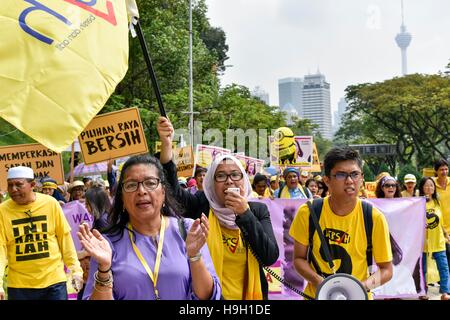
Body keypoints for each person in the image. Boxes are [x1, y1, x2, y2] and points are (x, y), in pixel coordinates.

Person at [157, 117, 279, 300]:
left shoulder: (257, 211)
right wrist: (167, 147)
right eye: (221, 176)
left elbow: (269, 256)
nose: (229, 181)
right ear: (212, 185)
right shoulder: (201, 205)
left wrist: (244, 213)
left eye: (235, 175)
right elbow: (173, 192)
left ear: (244, 181)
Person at [79, 155, 221, 300]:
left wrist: (195, 256)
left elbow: (208, 296)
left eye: (150, 183)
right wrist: (104, 269)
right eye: (131, 185)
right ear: (122, 198)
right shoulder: (107, 243)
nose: (141, 191)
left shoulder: (188, 230)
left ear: (163, 192)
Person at [289, 147, 393, 299]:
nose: (350, 181)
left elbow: (387, 270)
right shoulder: (308, 212)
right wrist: (320, 283)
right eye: (341, 175)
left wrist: (359, 288)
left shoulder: (374, 217)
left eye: (355, 174)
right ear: (327, 180)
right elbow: (298, 259)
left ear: (362, 178)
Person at [0, 166, 83, 300]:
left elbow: (64, 238)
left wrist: (76, 270)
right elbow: (1, 249)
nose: (13, 190)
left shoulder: (51, 204)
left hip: (54, 282)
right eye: (10, 185)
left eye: (18, 185)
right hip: (19, 286)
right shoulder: (3, 210)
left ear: (32, 185)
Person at [76, 186, 111, 300]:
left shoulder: (102, 221)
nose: (85, 206)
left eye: (87, 203)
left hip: (101, 269)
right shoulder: (105, 217)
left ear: (95, 203)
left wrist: (82, 254)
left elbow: (105, 245)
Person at [418, 177, 450, 300]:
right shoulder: (418, 202)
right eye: (426, 185)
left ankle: (445, 292)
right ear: (422, 188)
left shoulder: (437, 202)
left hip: (439, 241)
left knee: (444, 267)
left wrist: (446, 234)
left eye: (431, 185)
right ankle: (423, 292)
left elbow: (441, 221)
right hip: (424, 243)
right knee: (423, 269)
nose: (429, 188)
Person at [432, 159, 450, 269]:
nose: (444, 172)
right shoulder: (431, 185)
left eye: (446, 169)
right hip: (440, 228)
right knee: (445, 257)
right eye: (441, 169)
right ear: (436, 171)